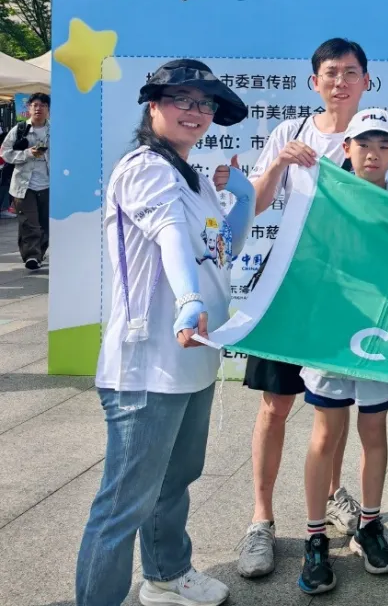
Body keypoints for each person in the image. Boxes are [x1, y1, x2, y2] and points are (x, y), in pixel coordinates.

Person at [237, 38, 388, 579]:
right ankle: (262, 520)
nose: (341, 81)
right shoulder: (293, 133)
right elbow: (257, 201)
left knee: (352, 420)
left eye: (351, 73)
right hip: (297, 288)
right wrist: (279, 163)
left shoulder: (382, 144)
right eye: (331, 72)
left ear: (366, 81)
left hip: (361, 308)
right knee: (278, 406)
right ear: (315, 81)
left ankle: (346, 511)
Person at [75, 60, 252, 606]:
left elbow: (220, 250)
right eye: (183, 100)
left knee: (175, 481)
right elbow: (170, 232)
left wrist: (244, 201)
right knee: (124, 503)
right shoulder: (145, 167)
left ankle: (166, 576)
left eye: (205, 104)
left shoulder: (192, 176)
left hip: (193, 358)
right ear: (153, 105)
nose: (196, 112)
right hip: (147, 362)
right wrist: (188, 300)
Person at [298, 108, 388, 594]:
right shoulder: (325, 198)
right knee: (325, 435)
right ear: (346, 148)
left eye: (384, 145)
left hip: (379, 339)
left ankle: (369, 525)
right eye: (363, 144)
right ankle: (314, 537)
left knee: (373, 431)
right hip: (330, 336)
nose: (373, 153)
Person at [1, 93, 51, 269]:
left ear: (48, 109)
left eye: (43, 105)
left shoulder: (55, 130)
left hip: (49, 184)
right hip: (24, 185)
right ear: (29, 108)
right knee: (29, 222)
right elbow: (5, 152)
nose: (38, 109)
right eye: (35, 105)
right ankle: (31, 256)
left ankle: (39, 253)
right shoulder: (19, 129)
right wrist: (27, 153)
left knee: (45, 224)